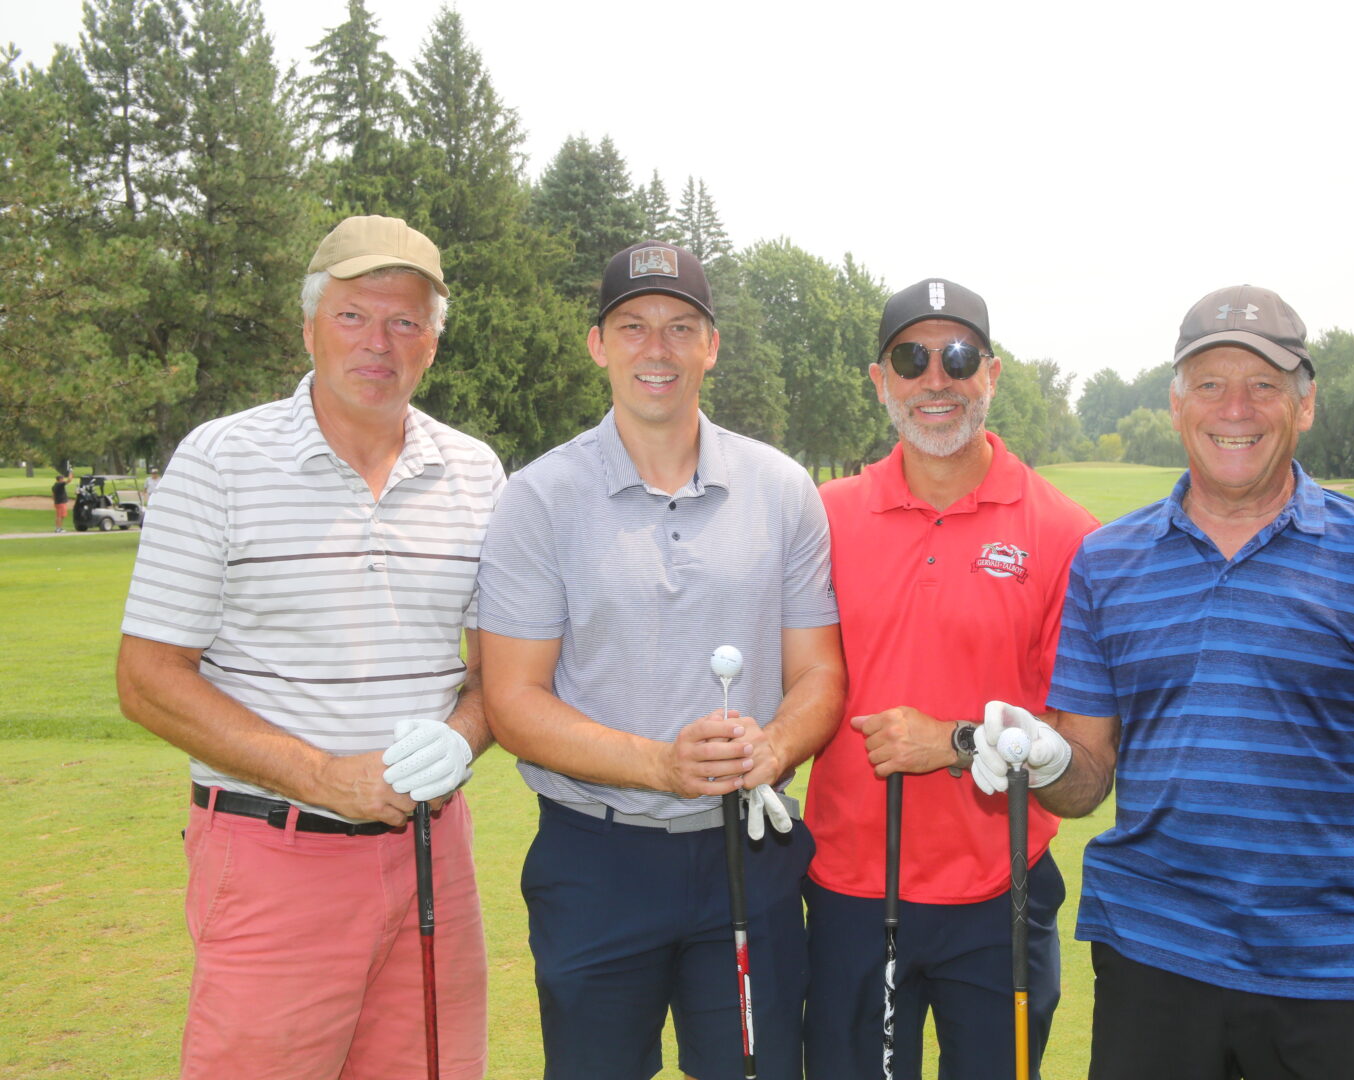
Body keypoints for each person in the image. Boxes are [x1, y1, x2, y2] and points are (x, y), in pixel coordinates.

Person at [995, 284, 1354, 1080]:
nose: (1237, 408)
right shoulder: (1108, 561)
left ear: (1306, 404)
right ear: (1179, 403)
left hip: (1333, 974)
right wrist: (1041, 757)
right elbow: (1084, 781)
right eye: (1211, 384)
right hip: (1153, 960)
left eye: (1264, 384)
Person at [116, 215, 505, 1080]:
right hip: (273, 855)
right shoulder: (220, 460)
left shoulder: (476, 471)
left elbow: (494, 675)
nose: (380, 343)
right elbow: (146, 680)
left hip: (433, 857)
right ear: (308, 328)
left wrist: (464, 734)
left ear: (433, 345)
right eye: (353, 315)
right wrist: (323, 776)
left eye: (406, 322)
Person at [477, 240, 846, 1080]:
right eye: (633, 325)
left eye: (682, 326)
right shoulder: (538, 499)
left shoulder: (782, 488)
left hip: (749, 854)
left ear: (711, 346)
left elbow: (819, 672)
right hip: (595, 860)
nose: (658, 348)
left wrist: (775, 748)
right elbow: (514, 700)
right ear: (598, 344)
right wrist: (659, 765)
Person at [802, 278, 1100, 1079]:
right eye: (912, 357)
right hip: (850, 892)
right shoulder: (821, 516)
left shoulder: (1066, 532)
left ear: (992, 375)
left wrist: (958, 741)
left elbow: (1079, 750)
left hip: (1000, 893)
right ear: (880, 380)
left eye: (958, 357)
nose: (936, 379)